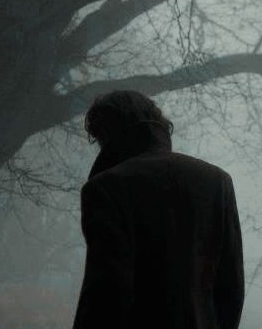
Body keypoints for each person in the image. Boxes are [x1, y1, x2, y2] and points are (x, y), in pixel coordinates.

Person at [72, 90, 245, 329]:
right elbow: (231, 288)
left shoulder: (106, 188)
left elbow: (105, 293)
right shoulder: (217, 182)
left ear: (105, 133)